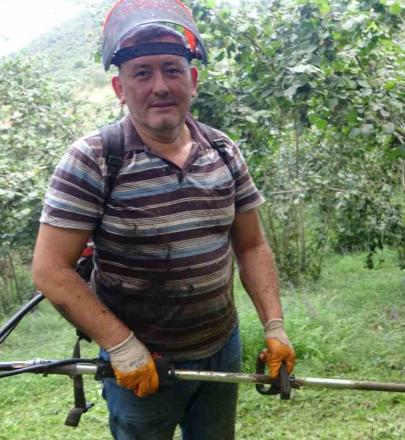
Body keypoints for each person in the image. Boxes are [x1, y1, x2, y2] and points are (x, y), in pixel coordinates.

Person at [30, 1, 296, 439]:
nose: (160, 86)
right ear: (120, 87)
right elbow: (50, 270)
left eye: (172, 70)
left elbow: (251, 246)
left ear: (192, 80)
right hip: (143, 360)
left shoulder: (224, 151)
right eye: (142, 73)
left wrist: (274, 326)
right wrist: (121, 345)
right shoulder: (94, 159)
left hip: (220, 346)